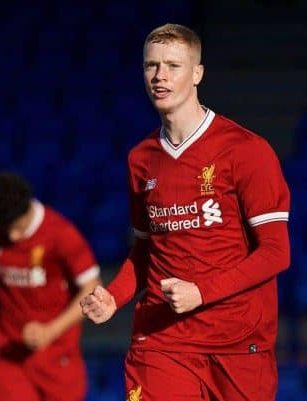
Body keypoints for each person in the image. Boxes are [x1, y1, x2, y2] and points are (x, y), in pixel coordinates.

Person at [80, 23, 290, 401]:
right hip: (162, 340)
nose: (160, 76)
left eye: (173, 66)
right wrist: (114, 296)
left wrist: (201, 293)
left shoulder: (246, 151)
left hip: (238, 344)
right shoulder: (141, 159)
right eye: (151, 65)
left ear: (197, 73)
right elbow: (145, 252)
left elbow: (276, 252)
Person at [0, 172, 101, 401]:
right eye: (5, 229)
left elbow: (91, 287)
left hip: (57, 356)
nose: (13, 236)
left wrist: (51, 330)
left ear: (28, 208)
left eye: (18, 227)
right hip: (7, 355)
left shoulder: (61, 234)